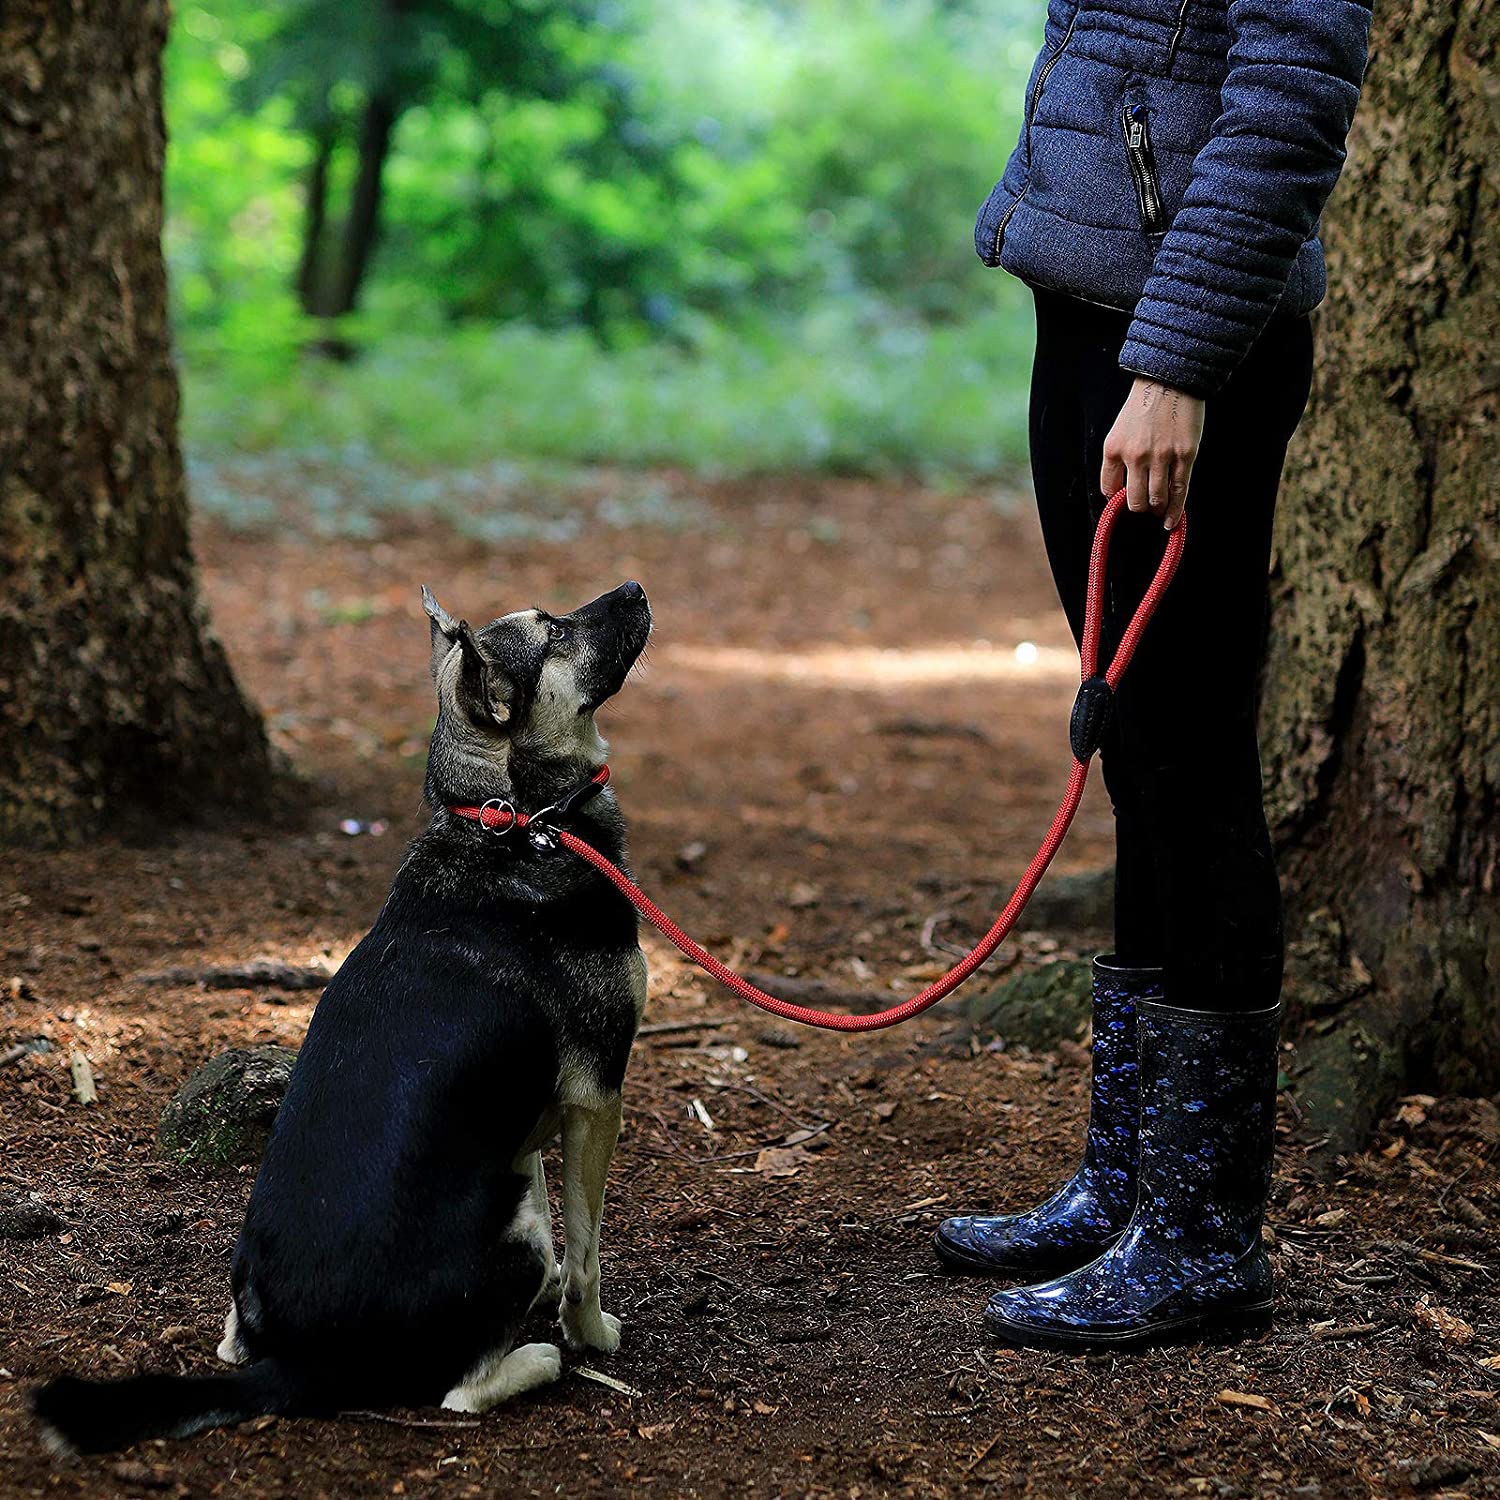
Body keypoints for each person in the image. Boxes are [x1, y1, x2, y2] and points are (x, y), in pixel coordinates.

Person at [934, 0, 1372, 1349]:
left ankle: (1199, 1235)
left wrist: (1176, 367)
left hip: (1184, 347)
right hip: (1092, 313)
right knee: (1140, 751)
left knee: (1190, 759)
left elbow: (1292, 92)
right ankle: (1126, 1185)